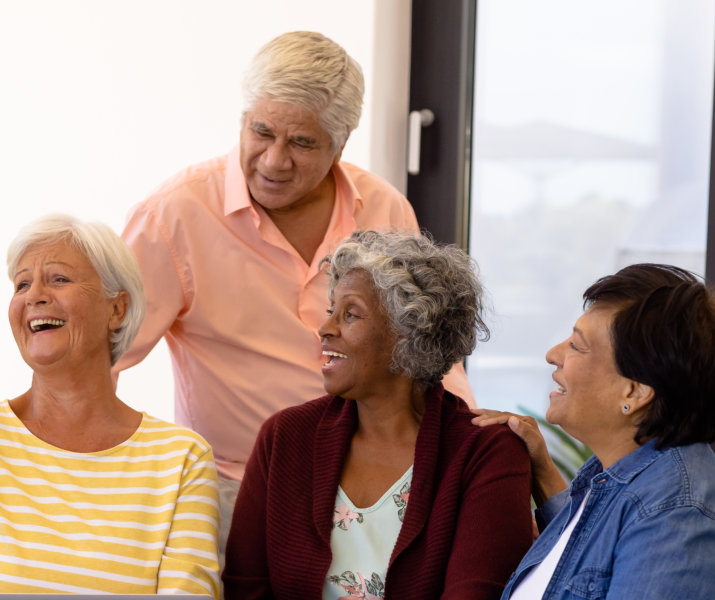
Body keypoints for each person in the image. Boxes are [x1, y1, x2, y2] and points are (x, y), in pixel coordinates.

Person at [117, 31, 473, 486]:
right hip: (237, 485)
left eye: (302, 143)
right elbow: (100, 355)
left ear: (339, 144)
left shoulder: (384, 208)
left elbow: (430, 351)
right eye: (261, 132)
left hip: (374, 482)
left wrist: (470, 442)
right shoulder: (172, 215)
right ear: (243, 119)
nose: (273, 161)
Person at [0, 215, 220, 600]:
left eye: (58, 279)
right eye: (22, 283)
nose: (33, 295)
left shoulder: (182, 459)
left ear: (117, 309)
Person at [223, 231, 536, 600]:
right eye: (331, 311)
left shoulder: (488, 453)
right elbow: (246, 589)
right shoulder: (285, 437)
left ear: (411, 334)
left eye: (350, 314)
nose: (325, 329)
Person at [476, 264, 715, 599]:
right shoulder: (621, 475)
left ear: (634, 393)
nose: (553, 355)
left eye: (577, 346)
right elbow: (597, 550)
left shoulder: (678, 517)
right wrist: (544, 471)